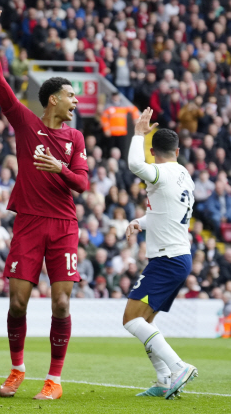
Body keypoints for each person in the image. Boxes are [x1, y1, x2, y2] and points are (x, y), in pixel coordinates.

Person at [0, 3, 89, 400]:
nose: (74, 102)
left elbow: (83, 185)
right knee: (17, 301)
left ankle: (55, 379)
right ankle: (16, 369)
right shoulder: (26, 123)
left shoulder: (75, 140)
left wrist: (58, 168)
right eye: (69, 95)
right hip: (28, 221)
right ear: (52, 100)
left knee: (61, 301)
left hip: (63, 225)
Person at [124, 108, 198, 399]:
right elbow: (167, 211)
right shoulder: (184, 175)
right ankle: (164, 380)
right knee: (146, 321)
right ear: (178, 151)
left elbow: (133, 164)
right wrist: (141, 222)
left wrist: (137, 134)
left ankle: (178, 366)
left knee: (131, 319)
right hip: (179, 258)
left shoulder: (159, 171)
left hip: (167, 260)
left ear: (153, 152)